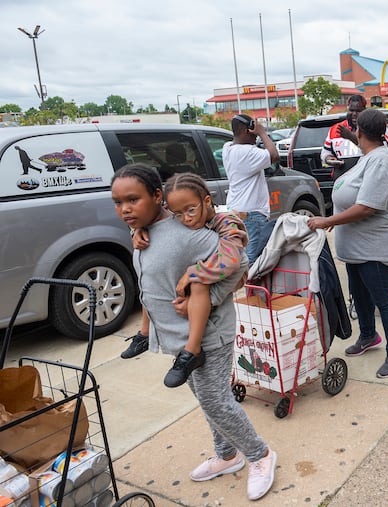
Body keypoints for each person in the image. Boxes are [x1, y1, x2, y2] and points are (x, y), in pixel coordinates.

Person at [110, 163, 276, 501]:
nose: (125, 209)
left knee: (216, 400)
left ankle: (260, 455)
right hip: (179, 339)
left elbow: (239, 263)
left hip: (210, 336)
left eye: (133, 200)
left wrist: (209, 296)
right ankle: (227, 455)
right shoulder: (144, 232)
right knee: (206, 400)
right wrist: (136, 231)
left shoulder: (187, 232)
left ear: (157, 197)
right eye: (118, 202)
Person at [307, 109, 388, 379]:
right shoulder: (370, 157)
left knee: (384, 300)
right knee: (360, 295)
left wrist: (328, 221)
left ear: (361, 132)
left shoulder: (381, 162)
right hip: (356, 248)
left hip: (374, 246)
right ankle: (368, 335)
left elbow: (366, 207)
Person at [130, 172, 248, 388]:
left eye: (191, 210)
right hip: (211, 271)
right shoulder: (186, 217)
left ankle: (192, 350)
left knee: (197, 281)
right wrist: (138, 229)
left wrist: (194, 273)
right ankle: (145, 333)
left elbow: (234, 261)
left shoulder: (225, 220)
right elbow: (159, 218)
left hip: (225, 275)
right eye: (178, 213)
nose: (186, 219)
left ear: (207, 201)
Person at [223, 114, 278, 264]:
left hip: (236, 210)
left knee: (243, 260)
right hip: (252, 214)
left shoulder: (227, 148)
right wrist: (262, 132)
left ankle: (249, 287)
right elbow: (274, 155)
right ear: (246, 131)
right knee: (254, 262)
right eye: (253, 132)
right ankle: (253, 288)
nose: (256, 138)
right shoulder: (247, 153)